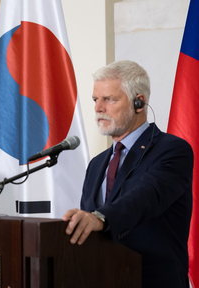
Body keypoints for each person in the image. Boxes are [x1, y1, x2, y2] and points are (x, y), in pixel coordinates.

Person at [62, 60, 193, 287]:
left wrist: (100, 218)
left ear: (138, 103)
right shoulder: (96, 164)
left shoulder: (172, 150)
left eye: (109, 99)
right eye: (95, 99)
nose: (98, 108)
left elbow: (146, 197)